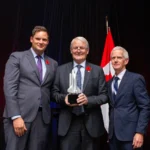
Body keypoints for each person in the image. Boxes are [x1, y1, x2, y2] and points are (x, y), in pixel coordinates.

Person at [3, 26, 58, 150]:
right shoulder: (17, 57)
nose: (41, 42)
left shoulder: (53, 63)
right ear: (31, 39)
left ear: (48, 42)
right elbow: (9, 88)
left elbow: (52, 90)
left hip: (42, 119)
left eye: (44, 39)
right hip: (20, 116)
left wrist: (67, 98)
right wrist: (16, 116)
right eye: (38, 39)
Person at [52, 36, 108, 150]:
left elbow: (104, 96)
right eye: (75, 47)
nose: (78, 50)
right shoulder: (60, 70)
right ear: (71, 50)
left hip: (91, 124)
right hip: (68, 123)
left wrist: (88, 100)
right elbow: (53, 93)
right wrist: (64, 98)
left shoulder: (97, 70)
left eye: (81, 48)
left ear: (87, 51)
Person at [108, 46, 150, 150]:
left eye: (119, 57)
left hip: (131, 136)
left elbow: (144, 107)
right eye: (113, 58)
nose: (116, 60)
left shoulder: (136, 79)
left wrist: (140, 132)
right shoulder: (109, 83)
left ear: (126, 61)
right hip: (113, 136)